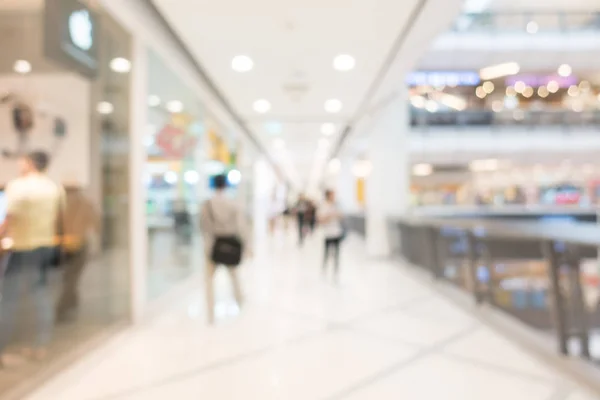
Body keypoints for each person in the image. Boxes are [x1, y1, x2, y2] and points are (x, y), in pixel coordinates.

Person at [0, 151, 64, 363]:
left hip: (22, 247)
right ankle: (41, 344)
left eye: (22, 160)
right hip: (45, 246)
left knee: (7, 298)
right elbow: (59, 218)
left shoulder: (18, 186)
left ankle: (2, 348)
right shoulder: (53, 187)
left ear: (29, 163)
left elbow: (8, 218)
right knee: (41, 295)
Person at [199, 174, 249, 324]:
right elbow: (241, 226)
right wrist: (247, 246)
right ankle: (240, 303)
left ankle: (210, 313)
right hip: (231, 243)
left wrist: (207, 247)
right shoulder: (233, 203)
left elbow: (204, 228)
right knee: (234, 276)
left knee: (209, 280)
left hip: (215, 244)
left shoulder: (207, 204)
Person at [55, 185, 100, 322]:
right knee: (70, 278)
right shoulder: (64, 206)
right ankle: (70, 304)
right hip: (69, 246)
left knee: (71, 278)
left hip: (77, 245)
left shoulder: (80, 205)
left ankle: (65, 307)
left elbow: (95, 223)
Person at [318, 190, 344, 277]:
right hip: (328, 233)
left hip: (337, 232)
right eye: (332, 195)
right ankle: (324, 269)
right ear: (328, 196)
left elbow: (342, 216)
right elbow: (320, 220)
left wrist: (338, 215)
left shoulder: (336, 205)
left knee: (337, 253)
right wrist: (329, 215)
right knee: (326, 252)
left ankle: (336, 271)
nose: (334, 197)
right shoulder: (323, 206)